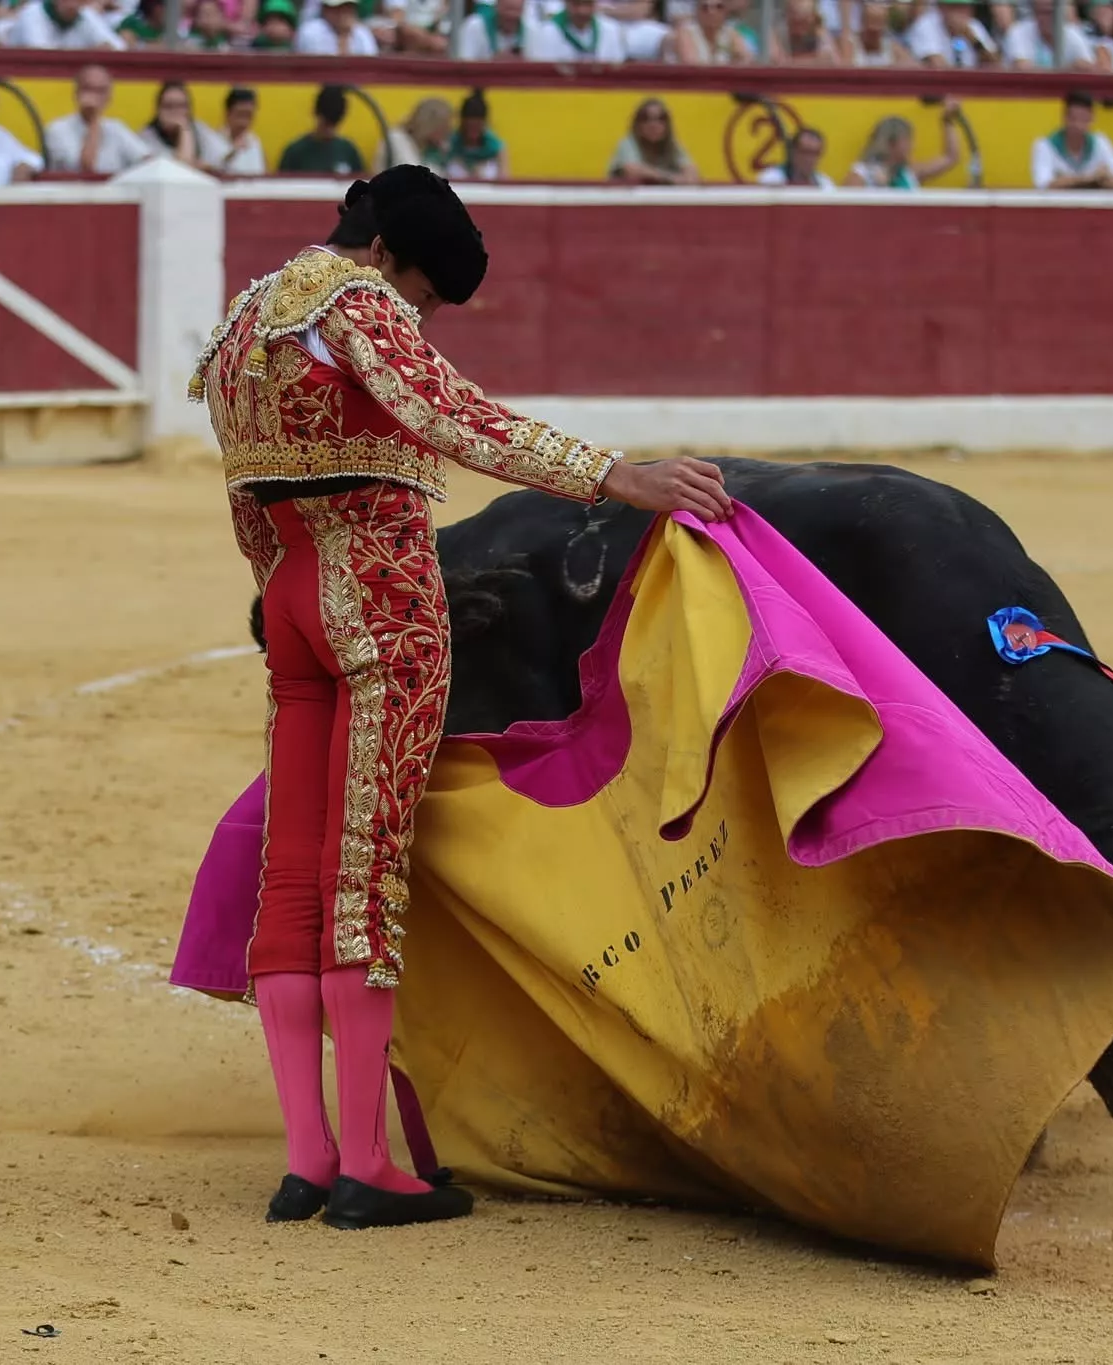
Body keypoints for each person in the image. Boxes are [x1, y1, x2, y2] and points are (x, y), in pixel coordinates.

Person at [190, 165, 731, 1231]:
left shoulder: (243, 322)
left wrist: (284, 588)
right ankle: (369, 1167)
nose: (421, 317)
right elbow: (450, 414)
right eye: (426, 295)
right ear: (387, 254)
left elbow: (248, 498)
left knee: (293, 880)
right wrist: (614, 474)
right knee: (364, 875)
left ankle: (308, 1162)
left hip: (291, 594)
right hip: (381, 598)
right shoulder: (359, 303)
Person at [44, 65, 151, 176]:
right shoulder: (57, 129)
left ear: (109, 97)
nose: (94, 96)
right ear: (76, 93)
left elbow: (147, 161)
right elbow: (86, 170)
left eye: (101, 91)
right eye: (88, 89)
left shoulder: (116, 127)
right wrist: (94, 119)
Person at [1030, 90, 1113, 190]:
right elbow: (1043, 185)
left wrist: (1105, 178)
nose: (1078, 125)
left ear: (1091, 119)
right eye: (1073, 119)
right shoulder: (1045, 145)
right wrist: (1089, 179)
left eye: (1084, 119)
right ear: (1065, 118)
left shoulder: (1100, 142)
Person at [846, 101, 962, 188]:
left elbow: (950, 157)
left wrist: (947, 121)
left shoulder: (909, 172)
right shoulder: (861, 174)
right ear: (891, 143)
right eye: (907, 141)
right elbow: (848, 209)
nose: (912, 146)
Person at [279, 85, 368, 175]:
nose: (329, 130)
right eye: (325, 123)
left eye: (333, 125)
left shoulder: (349, 152)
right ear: (315, 113)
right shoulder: (295, 153)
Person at [607, 98, 700, 184]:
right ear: (637, 125)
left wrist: (686, 178)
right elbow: (632, 170)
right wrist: (671, 178)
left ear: (667, 125)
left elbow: (692, 173)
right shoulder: (628, 143)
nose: (653, 124)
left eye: (660, 119)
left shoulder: (673, 145)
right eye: (646, 119)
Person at [139, 80, 215, 170]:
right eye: (169, 106)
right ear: (158, 110)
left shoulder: (199, 129)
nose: (175, 112)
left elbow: (222, 160)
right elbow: (182, 168)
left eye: (181, 106)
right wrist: (184, 129)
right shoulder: (147, 137)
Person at [525, 0, 629, 59]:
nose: (582, 11)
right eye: (576, 4)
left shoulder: (611, 30)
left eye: (587, 4)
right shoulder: (545, 32)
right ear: (565, 3)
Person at [908, 0, 1000, 66]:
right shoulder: (926, 24)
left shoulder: (974, 26)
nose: (959, 12)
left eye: (964, 7)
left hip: (971, 85)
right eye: (954, 7)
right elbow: (937, 66)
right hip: (937, 85)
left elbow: (996, 64)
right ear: (941, 7)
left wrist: (974, 40)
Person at [1005, 0, 1095, 66]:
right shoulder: (1018, 32)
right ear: (1035, 13)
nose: (1048, 17)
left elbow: (1087, 66)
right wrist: (1070, 68)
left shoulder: (1073, 33)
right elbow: (1021, 67)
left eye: (1052, 12)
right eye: (1043, 12)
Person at [443, 90, 509, 180]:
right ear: (462, 123)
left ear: (485, 124)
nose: (473, 133)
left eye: (477, 127)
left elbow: (504, 179)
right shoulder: (449, 144)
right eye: (469, 127)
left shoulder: (497, 148)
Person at [4, 0, 125, 48]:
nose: (72, 3)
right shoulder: (32, 13)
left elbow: (119, 47)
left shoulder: (86, 16)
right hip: (26, 79)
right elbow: (41, 54)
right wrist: (91, 51)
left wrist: (107, 46)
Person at [668, 0, 757, 60]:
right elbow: (692, 65)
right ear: (697, 12)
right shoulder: (685, 33)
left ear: (726, 11)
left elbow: (745, 59)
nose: (712, 12)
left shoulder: (731, 33)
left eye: (719, 7)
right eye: (705, 8)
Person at [213, 88, 269, 176]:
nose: (244, 122)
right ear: (228, 113)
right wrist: (233, 152)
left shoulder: (255, 142)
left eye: (249, 115)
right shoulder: (213, 141)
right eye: (240, 115)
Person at [757, 125, 835, 187]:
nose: (809, 159)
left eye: (815, 154)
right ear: (793, 152)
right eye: (805, 152)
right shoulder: (771, 178)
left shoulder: (825, 184)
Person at [389, 97, 453, 171]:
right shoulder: (396, 139)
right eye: (444, 128)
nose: (448, 132)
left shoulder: (427, 148)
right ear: (430, 126)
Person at [298, 0, 381, 52]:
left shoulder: (362, 33)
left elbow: (370, 65)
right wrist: (343, 36)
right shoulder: (310, 31)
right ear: (326, 10)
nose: (343, 13)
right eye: (338, 8)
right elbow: (319, 66)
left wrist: (345, 36)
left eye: (348, 8)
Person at [454, 0, 527, 56]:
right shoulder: (475, 26)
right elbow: (464, 64)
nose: (511, 15)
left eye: (517, 10)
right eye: (508, 9)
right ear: (497, 6)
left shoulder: (530, 28)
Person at [848, 0, 912, 62]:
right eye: (871, 22)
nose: (875, 29)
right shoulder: (851, 45)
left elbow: (912, 65)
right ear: (862, 23)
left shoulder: (892, 48)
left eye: (878, 23)